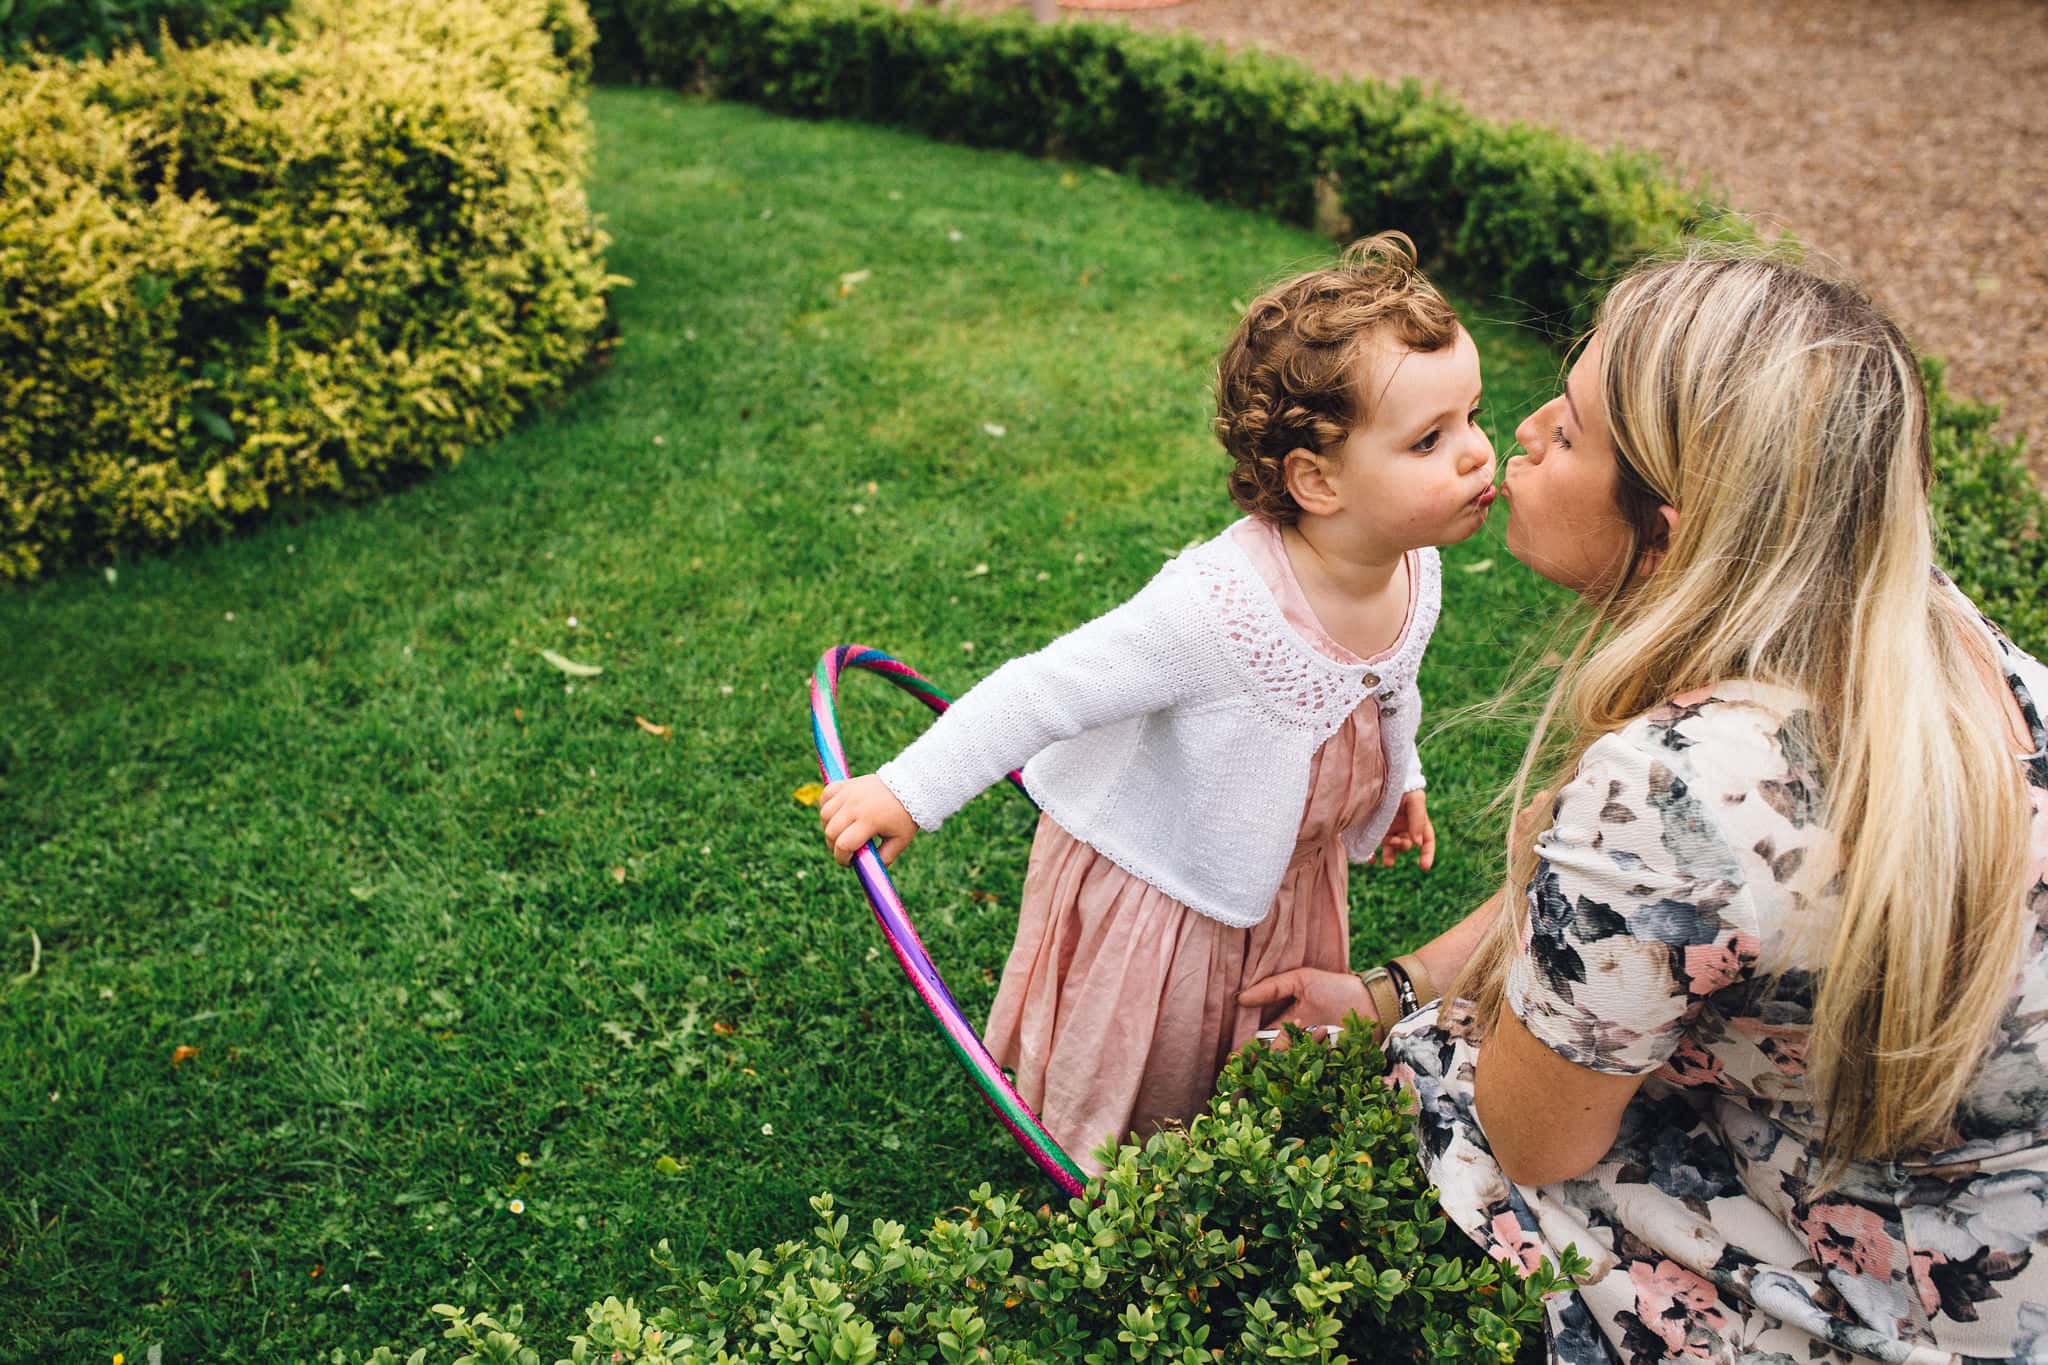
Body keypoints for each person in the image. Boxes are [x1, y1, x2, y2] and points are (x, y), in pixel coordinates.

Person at [1237, 247, 2048, 1363]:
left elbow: (1538, 1139)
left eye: (1564, 433)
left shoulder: (1666, 791)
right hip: (2010, 1225)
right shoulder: (1942, 639)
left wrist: (1547, 871)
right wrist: (1393, 982)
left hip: (1886, 1299)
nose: (1511, 434)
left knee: (1437, 1090)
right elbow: (1650, 926)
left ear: (1667, 532)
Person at [820, 233, 1499, 1169]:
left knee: (1261, 1024)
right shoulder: (1215, 608)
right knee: (1161, 1040)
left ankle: (1232, 1154)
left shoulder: (1410, 568)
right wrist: (908, 789)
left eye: (1473, 416)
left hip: (1286, 875)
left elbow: (1388, 689)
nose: (1476, 454)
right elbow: (1045, 689)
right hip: (1171, 887)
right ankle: (1106, 1169)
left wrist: (1402, 778)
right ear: (1317, 480)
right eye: (1430, 439)